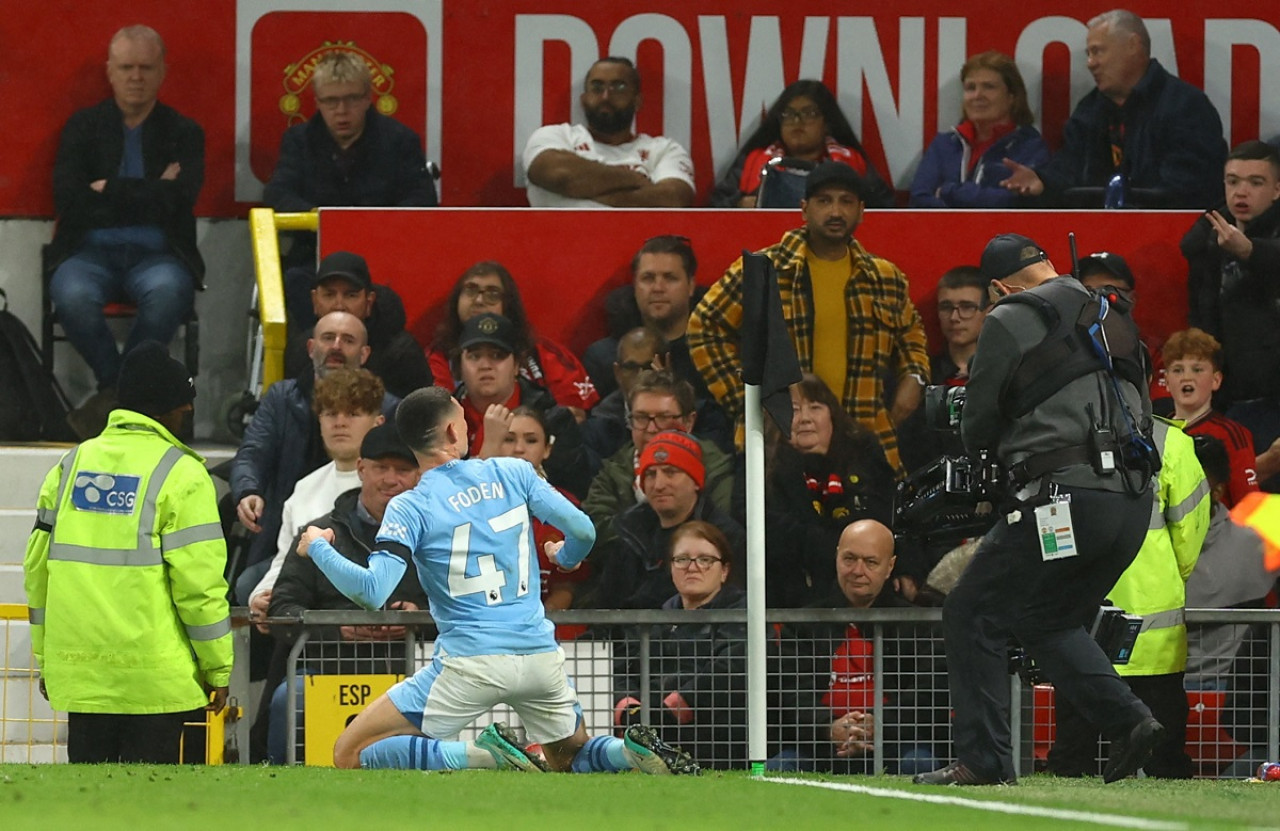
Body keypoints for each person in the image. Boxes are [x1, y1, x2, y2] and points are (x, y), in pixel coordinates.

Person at [295, 386, 699, 775]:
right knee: (571, 756)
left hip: (470, 662)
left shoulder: (410, 505)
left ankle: (480, 754)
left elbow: (372, 591)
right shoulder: (514, 472)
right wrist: (567, 557)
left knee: (349, 752)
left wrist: (318, 546)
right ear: (454, 431)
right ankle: (629, 751)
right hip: (540, 654)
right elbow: (583, 530)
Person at [914, 233, 1161, 786]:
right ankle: (1130, 722)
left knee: (970, 609)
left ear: (1000, 288)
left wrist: (969, 420)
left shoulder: (1010, 317)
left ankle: (984, 761)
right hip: (1130, 504)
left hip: (1063, 498)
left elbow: (979, 423)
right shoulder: (1113, 313)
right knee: (1046, 619)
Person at [23, 341, 232, 763]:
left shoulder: (70, 466)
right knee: (152, 812)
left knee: (86, 813)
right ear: (168, 409)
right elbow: (200, 587)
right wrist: (218, 668)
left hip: (82, 677)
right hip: (156, 682)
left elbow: (37, 571)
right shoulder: (183, 474)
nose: (188, 414)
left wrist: (49, 659)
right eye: (183, 405)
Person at [689, 161, 930, 473]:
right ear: (804, 209)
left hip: (863, 440)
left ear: (861, 211)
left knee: (872, 523)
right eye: (824, 201)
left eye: (846, 202)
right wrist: (748, 399)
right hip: (780, 443)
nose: (835, 211)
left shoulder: (885, 278)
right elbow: (703, 327)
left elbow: (912, 335)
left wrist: (915, 376)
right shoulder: (765, 270)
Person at [49, 26, 204, 438]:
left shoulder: (183, 132)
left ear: (162, 73)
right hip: (89, 253)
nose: (136, 76)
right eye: (127, 67)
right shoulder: (82, 128)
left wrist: (108, 189)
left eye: (145, 68)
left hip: (159, 254)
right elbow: (69, 198)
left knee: (170, 292)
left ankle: (112, 402)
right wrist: (156, 188)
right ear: (111, 72)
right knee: (71, 294)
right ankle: (121, 391)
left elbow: (181, 199)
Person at [1046, 415, 1209, 779]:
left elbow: (1049, 524)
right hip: (1153, 635)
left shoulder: (1058, 429)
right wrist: (1166, 576)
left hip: (1079, 628)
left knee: (1072, 761)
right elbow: (1190, 533)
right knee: (1163, 761)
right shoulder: (1171, 442)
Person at [264, 421, 426, 765]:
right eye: (381, 468)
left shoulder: (435, 538)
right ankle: (276, 785)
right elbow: (282, 612)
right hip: (327, 671)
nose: (391, 479)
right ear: (362, 469)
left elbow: (459, 606)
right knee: (287, 699)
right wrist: (339, 631)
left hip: (414, 674)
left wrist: (417, 618)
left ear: (418, 476)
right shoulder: (318, 533)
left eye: (403, 469)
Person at [231, 311, 399, 587]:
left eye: (347, 340)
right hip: (297, 569)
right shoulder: (305, 488)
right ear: (310, 348)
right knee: (249, 586)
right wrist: (248, 489)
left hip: (364, 585)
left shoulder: (392, 480)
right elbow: (252, 453)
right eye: (328, 338)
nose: (336, 346)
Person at [771, 520, 947, 775]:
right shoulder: (803, 623)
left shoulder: (919, 624)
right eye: (849, 559)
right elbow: (791, 692)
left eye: (871, 562)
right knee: (778, 768)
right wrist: (829, 727)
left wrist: (878, 724)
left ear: (890, 567)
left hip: (896, 742)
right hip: (820, 744)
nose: (857, 570)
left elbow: (928, 693)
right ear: (836, 557)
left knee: (921, 765)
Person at [1000, 10, 1226, 208]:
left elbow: (1188, 190)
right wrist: (1043, 183)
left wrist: (1124, 204)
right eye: (1089, 54)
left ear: (1133, 46)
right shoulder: (1089, 110)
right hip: (1096, 234)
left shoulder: (1185, 107)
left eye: (1097, 51)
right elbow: (1068, 171)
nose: (1090, 63)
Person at [264, 50, 436, 269]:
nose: (342, 111)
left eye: (351, 99)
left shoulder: (400, 140)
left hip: (385, 251)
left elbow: (423, 199)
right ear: (317, 102)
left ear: (367, 98)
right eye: (331, 101)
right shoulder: (298, 141)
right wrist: (322, 220)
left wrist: (379, 224)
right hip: (314, 254)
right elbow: (277, 194)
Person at [246, 368, 387, 625]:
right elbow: (283, 561)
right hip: (314, 628)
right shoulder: (304, 489)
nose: (340, 422)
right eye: (331, 413)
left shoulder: (391, 486)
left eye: (353, 414)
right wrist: (262, 594)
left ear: (378, 422)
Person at [612, 521, 747, 769]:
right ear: (672, 568)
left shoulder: (744, 614)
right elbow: (625, 669)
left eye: (705, 560)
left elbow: (732, 669)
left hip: (721, 746)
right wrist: (628, 707)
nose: (692, 568)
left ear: (724, 570)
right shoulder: (657, 620)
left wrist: (672, 706)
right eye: (682, 559)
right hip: (654, 734)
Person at [1183, 141, 1280, 484]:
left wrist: (1250, 251)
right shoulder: (1208, 239)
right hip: (1229, 396)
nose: (1241, 192)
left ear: (1277, 189)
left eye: (1255, 183)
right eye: (1232, 181)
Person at [580, 236, 732, 449]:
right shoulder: (602, 356)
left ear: (690, 285)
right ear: (634, 285)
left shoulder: (717, 354)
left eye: (670, 278)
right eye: (648, 278)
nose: (658, 288)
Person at [764, 375, 896, 607]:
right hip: (789, 594)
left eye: (815, 407)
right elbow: (769, 530)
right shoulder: (760, 467)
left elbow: (889, 512)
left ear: (832, 414)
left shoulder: (865, 456)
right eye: (794, 410)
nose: (805, 418)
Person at [581, 370, 736, 557]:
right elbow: (592, 532)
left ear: (688, 421)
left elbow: (721, 533)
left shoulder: (714, 466)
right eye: (641, 418)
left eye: (664, 418)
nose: (652, 428)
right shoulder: (614, 470)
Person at [594, 430, 745, 610]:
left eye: (670, 472)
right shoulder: (629, 533)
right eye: (650, 474)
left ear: (696, 481)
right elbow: (607, 609)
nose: (659, 485)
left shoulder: (726, 537)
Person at [427, 261, 598, 418]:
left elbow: (575, 415)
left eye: (492, 294)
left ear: (508, 304)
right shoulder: (437, 357)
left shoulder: (543, 353)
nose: (479, 300)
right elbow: (436, 419)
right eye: (470, 290)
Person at [522, 57, 694, 208]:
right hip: (558, 240)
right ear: (583, 100)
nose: (605, 96)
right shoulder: (555, 136)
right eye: (597, 88)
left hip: (637, 243)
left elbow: (673, 199)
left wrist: (582, 187)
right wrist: (635, 180)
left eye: (618, 87)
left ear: (637, 101)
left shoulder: (664, 149)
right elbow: (561, 176)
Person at [709, 79, 893, 209]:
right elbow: (715, 207)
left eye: (809, 113)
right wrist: (739, 204)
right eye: (789, 115)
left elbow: (886, 209)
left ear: (827, 123)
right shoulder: (754, 161)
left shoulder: (851, 163)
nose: (797, 122)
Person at [282, 251, 433, 400]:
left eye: (350, 295)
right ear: (315, 301)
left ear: (369, 301)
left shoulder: (402, 355)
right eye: (329, 295)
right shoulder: (300, 349)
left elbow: (424, 417)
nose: (339, 305)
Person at [909, 51, 1049, 208]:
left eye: (989, 87)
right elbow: (919, 201)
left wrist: (948, 191)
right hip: (940, 232)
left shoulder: (1029, 146)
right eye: (970, 88)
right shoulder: (944, 145)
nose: (977, 95)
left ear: (1012, 97)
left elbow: (1010, 203)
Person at [497, 406, 590, 615]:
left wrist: (535, 624)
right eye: (509, 439)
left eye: (531, 440)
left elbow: (566, 587)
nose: (519, 449)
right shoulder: (471, 503)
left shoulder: (566, 505)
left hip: (548, 628)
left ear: (547, 449)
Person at [897, 265, 990, 474]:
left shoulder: (1002, 374)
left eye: (966, 307)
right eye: (946, 307)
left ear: (988, 311)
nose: (954, 317)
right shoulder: (921, 378)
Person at [1161, 328, 1258, 507]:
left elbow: (1248, 503)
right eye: (1178, 370)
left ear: (1216, 380)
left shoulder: (1232, 434)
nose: (1187, 377)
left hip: (1217, 532)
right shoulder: (1158, 432)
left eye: (1197, 370)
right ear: (1166, 382)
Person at [581, 327, 667, 462]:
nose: (640, 376)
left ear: (666, 367)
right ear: (618, 373)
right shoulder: (598, 428)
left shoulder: (696, 415)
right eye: (631, 367)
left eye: (648, 367)